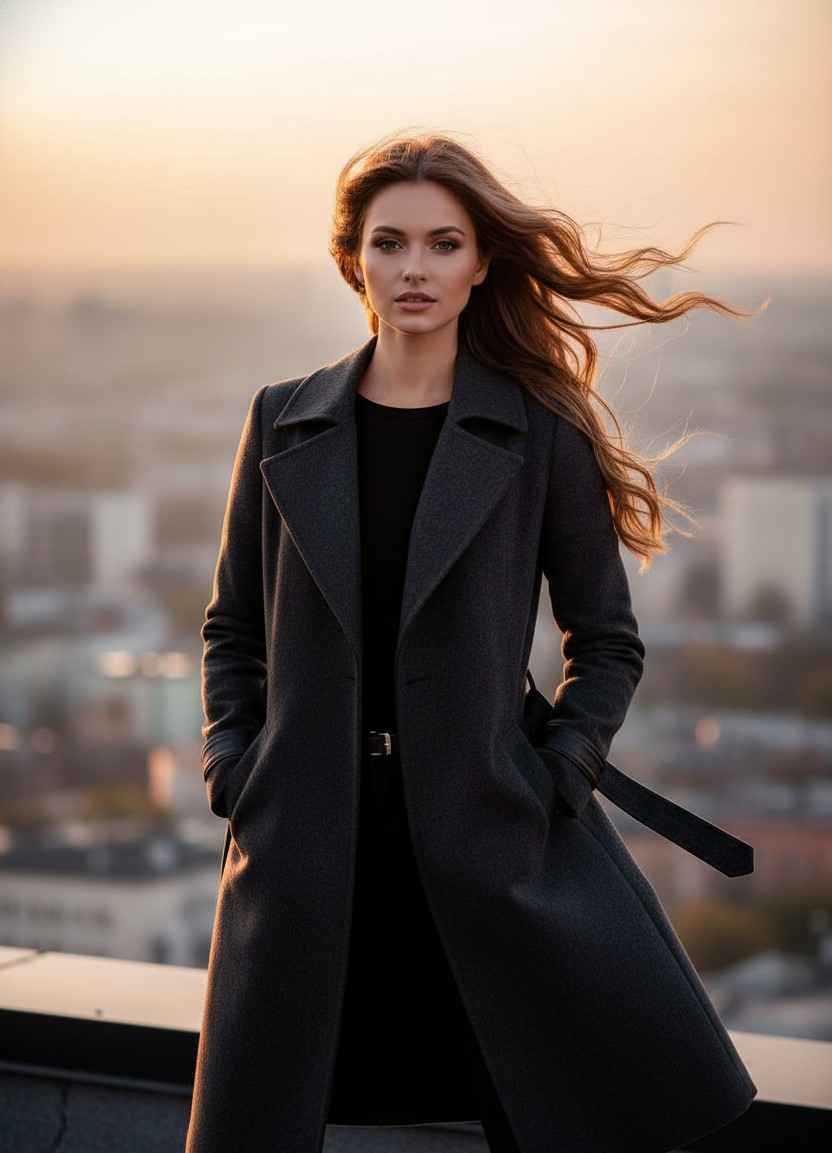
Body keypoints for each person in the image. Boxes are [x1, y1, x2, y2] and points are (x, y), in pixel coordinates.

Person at [185, 132, 763, 1153]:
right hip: (309, 842)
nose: (415, 268)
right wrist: (236, 770)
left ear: (482, 261)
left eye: (443, 244)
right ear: (352, 260)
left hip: (487, 839)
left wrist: (554, 779)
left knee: (540, 1110)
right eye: (390, 242)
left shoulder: (540, 429)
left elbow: (606, 639)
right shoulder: (280, 421)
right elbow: (233, 628)